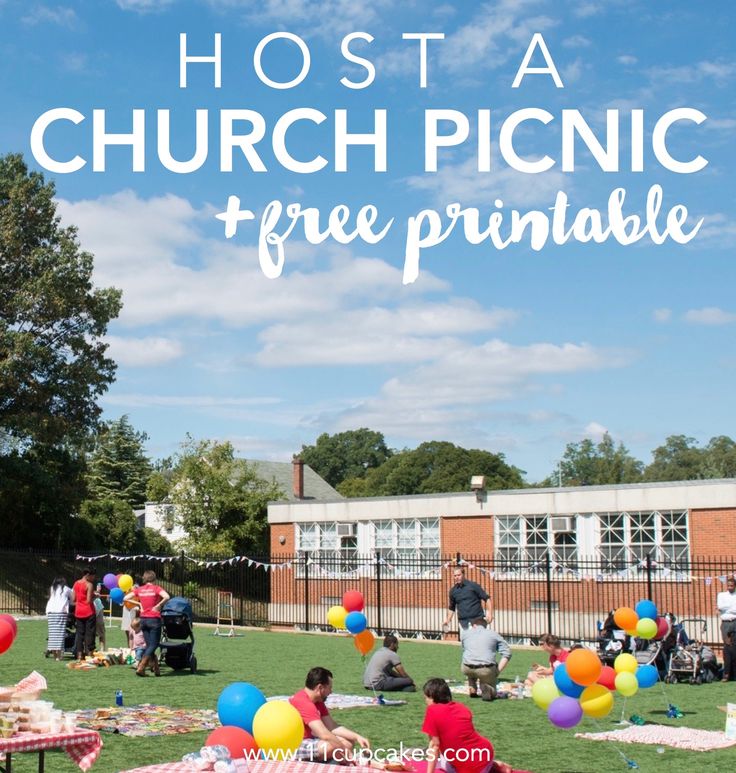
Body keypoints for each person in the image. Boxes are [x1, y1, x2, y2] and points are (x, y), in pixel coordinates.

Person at [289, 666, 370, 763]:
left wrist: (357, 737)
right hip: (294, 745)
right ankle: (336, 761)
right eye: (329, 688)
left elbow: (332, 726)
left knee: (348, 742)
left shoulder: (318, 701)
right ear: (320, 687)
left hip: (310, 740)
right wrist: (345, 752)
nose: (331, 692)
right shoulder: (303, 702)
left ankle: (329, 761)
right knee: (333, 746)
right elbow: (324, 734)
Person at [421, 678, 496, 773]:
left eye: (426, 698)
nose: (426, 701)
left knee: (444, 764)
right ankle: (493, 765)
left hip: (470, 766)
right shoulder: (462, 707)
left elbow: (434, 746)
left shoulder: (432, 711)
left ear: (432, 696)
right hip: (485, 753)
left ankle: (494, 765)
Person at [124, 569, 170, 677]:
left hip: (143, 619)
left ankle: (156, 668)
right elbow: (167, 596)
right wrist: (159, 605)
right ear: (154, 578)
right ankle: (142, 665)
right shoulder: (156, 588)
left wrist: (139, 604)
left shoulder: (140, 589)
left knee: (149, 645)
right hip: (154, 619)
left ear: (144, 579)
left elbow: (126, 598)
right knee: (154, 645)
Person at [460, 619, 511, 701]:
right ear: (485, 626)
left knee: (470, 664)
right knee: (490, 685)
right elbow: (507, 653)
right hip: (485, 669)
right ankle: (489, 689)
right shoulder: (494, 634)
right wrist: (497, 671)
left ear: (474, 625)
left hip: (467, 668)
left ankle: (472, 686)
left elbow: (464, 650)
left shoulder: (465, 634)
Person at [442, 567, 492, 639]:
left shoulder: (473, 586)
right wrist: (448, 620)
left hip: (477, 621)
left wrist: (490, 614)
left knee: (478, 646)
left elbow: (487, 599)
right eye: (455, 576)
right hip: (463, 623)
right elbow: (451, 608)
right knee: (466, 647)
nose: (457, 577)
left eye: (458, 575)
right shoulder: (453, 591)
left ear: (463, 574)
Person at [72, 568, 97, 660]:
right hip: (89, 612)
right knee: (90, 633)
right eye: (93, 576)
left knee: (79, 633)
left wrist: (79, 603)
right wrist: (95, 596)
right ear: (88, 575)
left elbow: (73, 599)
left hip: (78, 612)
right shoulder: (89, 585)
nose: (94, 578)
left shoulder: (76, 583)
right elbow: (88, 600)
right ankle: (90, 653)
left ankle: (79, 654)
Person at [45, 576, 73, 660]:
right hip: (61, 612)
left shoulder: (51, 588)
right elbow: (72, 598)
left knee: (52, 634)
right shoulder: (66, 589)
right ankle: (59, 656)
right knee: (60, 635)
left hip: (51, 612)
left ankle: (54, 656)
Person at [716, 575, 736, 682]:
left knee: (735, 647)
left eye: (732, 585)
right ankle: (727, 673)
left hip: (735, 621)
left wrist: (726, 608)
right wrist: (730, 607)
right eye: (728, 585)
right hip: (725, 623)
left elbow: (729, 609)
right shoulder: (721, 595)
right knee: (727, 647)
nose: (730, 587)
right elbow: (720, 606)